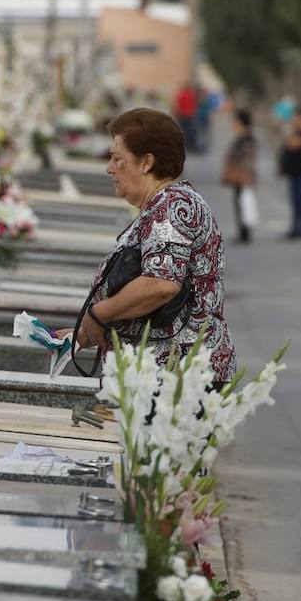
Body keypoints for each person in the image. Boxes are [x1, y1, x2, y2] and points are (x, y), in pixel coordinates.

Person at [56, 108, 237, 385]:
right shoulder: (162, 205)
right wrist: (84, 333)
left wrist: (98, 314)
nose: (109, 168)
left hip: (179, 381)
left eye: (118, 159)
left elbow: (160, 284)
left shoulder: (174, 206)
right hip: (163, 375)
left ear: (146, 163)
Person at [278, 107, 301, 239]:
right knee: (295, 202)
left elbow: (292, 144)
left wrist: (291, 137)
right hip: (293, 173)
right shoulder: (295, 133)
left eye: (298, 119)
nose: (295, 122)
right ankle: (295, 228)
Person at [221, 109, 257, 244]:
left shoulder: (246, 138)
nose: (233, 123)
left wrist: (247, 176)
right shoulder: (242, 136)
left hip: (243, 176)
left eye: (235, 120)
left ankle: (245, 233)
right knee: (240, 203)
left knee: (243, 203)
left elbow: (248, 159)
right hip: (241, 175)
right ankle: (242, 232)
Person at [174, 82, 198, 152]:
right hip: (189, 115)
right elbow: (194, 105)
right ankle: (189, 145)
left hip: (182, 115)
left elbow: (178, 105)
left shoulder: (182, 94)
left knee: (183, 130)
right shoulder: (191, 95)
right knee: (189, 130)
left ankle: (184, 145)